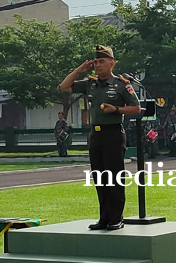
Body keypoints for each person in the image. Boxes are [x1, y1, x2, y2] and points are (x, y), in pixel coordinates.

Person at [60, 44, 141, 231]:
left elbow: (136, 108)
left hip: (113, 133)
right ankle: (104, 218)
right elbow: (64, 86)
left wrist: (116, 109)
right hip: (95, 135)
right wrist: (79, 70)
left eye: (101, 61)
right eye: (95, 62)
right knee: (99, 177)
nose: (97, 65)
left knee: (114, 177)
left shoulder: (121, 84)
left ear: (112, 63)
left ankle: (116, 218)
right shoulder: (91, 84)